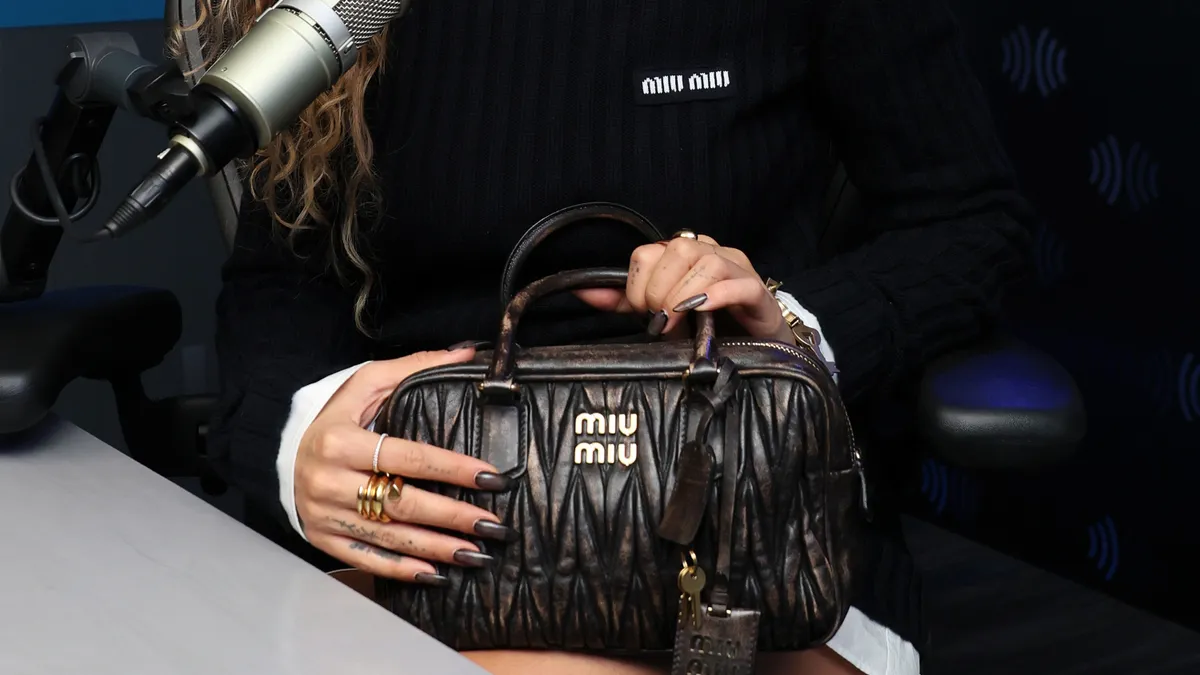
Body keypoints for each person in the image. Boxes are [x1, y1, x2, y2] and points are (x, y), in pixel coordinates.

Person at [194, 0, 1034, 672]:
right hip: (440, 531)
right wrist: (299, 436)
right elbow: (280, 277)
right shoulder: (353, 12)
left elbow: (971, 222)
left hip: (746, 538)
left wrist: (792, 329)